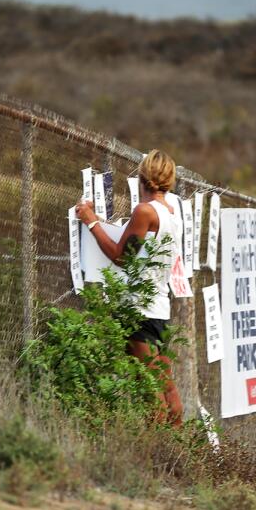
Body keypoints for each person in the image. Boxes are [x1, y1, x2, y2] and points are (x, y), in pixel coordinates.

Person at [75, 150, 184, 425]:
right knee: (168, 389)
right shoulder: (171, 213)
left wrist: (90, 221)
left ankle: (158, 459)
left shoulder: (144, 211)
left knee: (150, 392)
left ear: (142, 178)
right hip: (159, 308)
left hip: (139, 310)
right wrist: (100, 220)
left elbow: (121, 256)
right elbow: (138, 244)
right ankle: (181, 456)